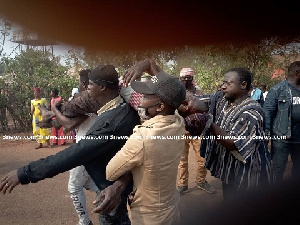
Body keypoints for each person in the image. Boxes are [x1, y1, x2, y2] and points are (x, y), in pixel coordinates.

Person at [0, 64, 141, 225]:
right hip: (113, 182)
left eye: (91, 84)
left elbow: (72, 155)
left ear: (102, 88)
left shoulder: (112, 123)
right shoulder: (118, 106)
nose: (87, 87)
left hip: (112, 191)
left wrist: (24, 173)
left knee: (110, 218)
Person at [202, 67, 271, 202]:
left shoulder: (252, 112)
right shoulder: (223, 101)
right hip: (231, 172)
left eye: (228, 83)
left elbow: (233, 143)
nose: (223, 86)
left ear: (243, 85)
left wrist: (208, 122)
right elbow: (201, 100)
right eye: (223, 83)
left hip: (247, 176)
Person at [54, 69, 99, 225]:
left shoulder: (85, 102)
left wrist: (53, 110)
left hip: (84, 150)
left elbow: (69, 124)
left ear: (85, 83)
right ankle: (108, 192)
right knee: (89, 182)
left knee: (74, 187)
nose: (79, 85)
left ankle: (84, 222)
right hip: (94, 148)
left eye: (80, 82)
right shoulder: (97, 99)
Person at [177, 68, 215, 195]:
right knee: (182, 160)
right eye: (184, 78)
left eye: (189, 78)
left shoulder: (199, 92)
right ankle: (182, 184)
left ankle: (201, 181)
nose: (186, 81)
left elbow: (204, 109)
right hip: (181, 131)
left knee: (201, 159)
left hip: (198, 131)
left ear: (192, 79)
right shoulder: (177, 93)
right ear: (180, 79)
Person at [264, 61, 300, 184]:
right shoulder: (277, 90)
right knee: (277, 169)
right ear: (297, 73)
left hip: (299, 139)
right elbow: (267, 113)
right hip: (281, 138)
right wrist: (265, 136)